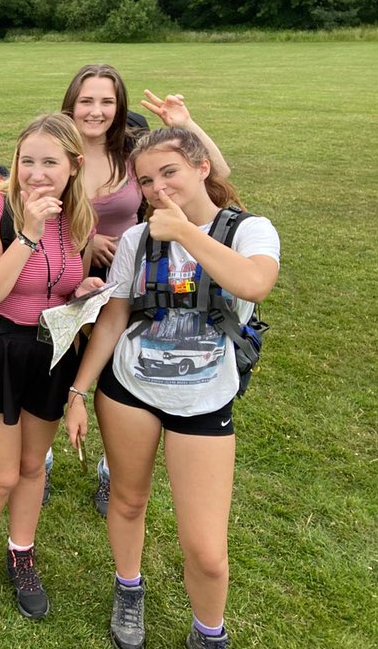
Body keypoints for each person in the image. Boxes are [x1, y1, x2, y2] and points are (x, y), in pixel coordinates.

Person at [67, 127, 279, 649]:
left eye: (170, 173)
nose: (158, 188)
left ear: (202, 167)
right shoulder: (138, 241)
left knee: (206, 548)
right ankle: (129, 589)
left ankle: (209, 633)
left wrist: (186, 232)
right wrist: (77, 392)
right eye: (146, 180)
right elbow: (114, 321)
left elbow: (254, 284)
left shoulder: (249, 231)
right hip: (129, 392)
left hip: (204, 403)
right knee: (128, 500)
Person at [58, 63, 232, 515]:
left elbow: (215, 174)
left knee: (123, 367)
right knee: (59, 363)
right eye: (87, 101)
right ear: (71, 103)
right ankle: (40, 454)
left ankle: (111, 469)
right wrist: (86, 240)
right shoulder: (59, 146)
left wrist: (185, 125)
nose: (96, 111)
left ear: (119, 108)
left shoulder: (131, 151)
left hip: (133, 279)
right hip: (64, 277)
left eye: (107, 102)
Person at [0, 113, 96, 619]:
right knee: (2, 472)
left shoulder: (77, 216)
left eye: (50, 162)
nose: (36, 172)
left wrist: (80, 291)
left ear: (74, 166)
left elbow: (53, 284)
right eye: (27, 160)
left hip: (47, 353)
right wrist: (28, 233)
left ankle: (22, 552)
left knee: (33, 467)